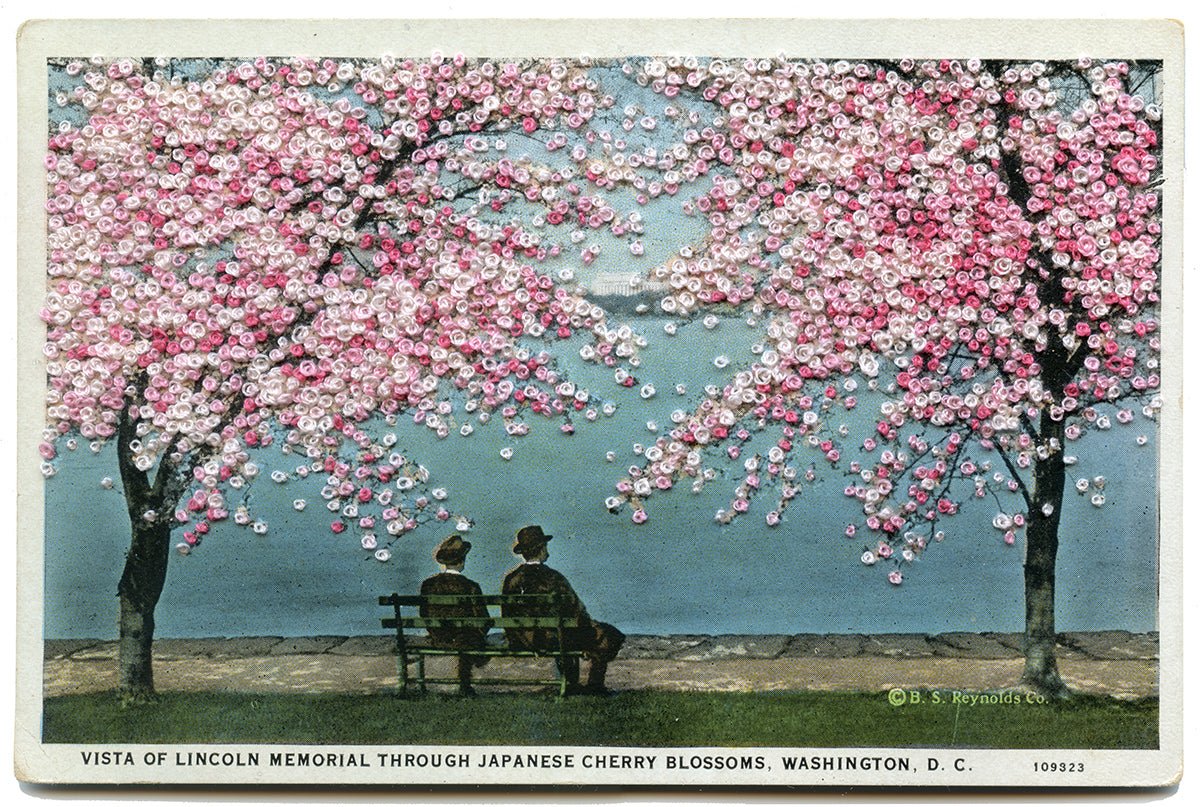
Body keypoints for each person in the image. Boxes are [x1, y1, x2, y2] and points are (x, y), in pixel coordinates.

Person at [501, 525, 624, 695]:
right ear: (541, 549)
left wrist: (514, 636)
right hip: (553, 637)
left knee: (568, 631)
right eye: (545, 546)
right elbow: (575, 608)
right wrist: (588, 625)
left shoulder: (511, 579)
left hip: (523, 638)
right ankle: (594, 686)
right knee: (609, 634)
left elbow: (507, 613)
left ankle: (572, 684)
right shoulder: (553, 577)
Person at [420, 534, 492, 696]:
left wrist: (435, 632)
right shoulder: (471, 586)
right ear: (462, 560)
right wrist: (481, 633)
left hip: (440, 637)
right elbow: (483, 618)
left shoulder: (428, 585)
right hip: (465, 640)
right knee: (469, 638)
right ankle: (465, 685)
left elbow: (424, 613)